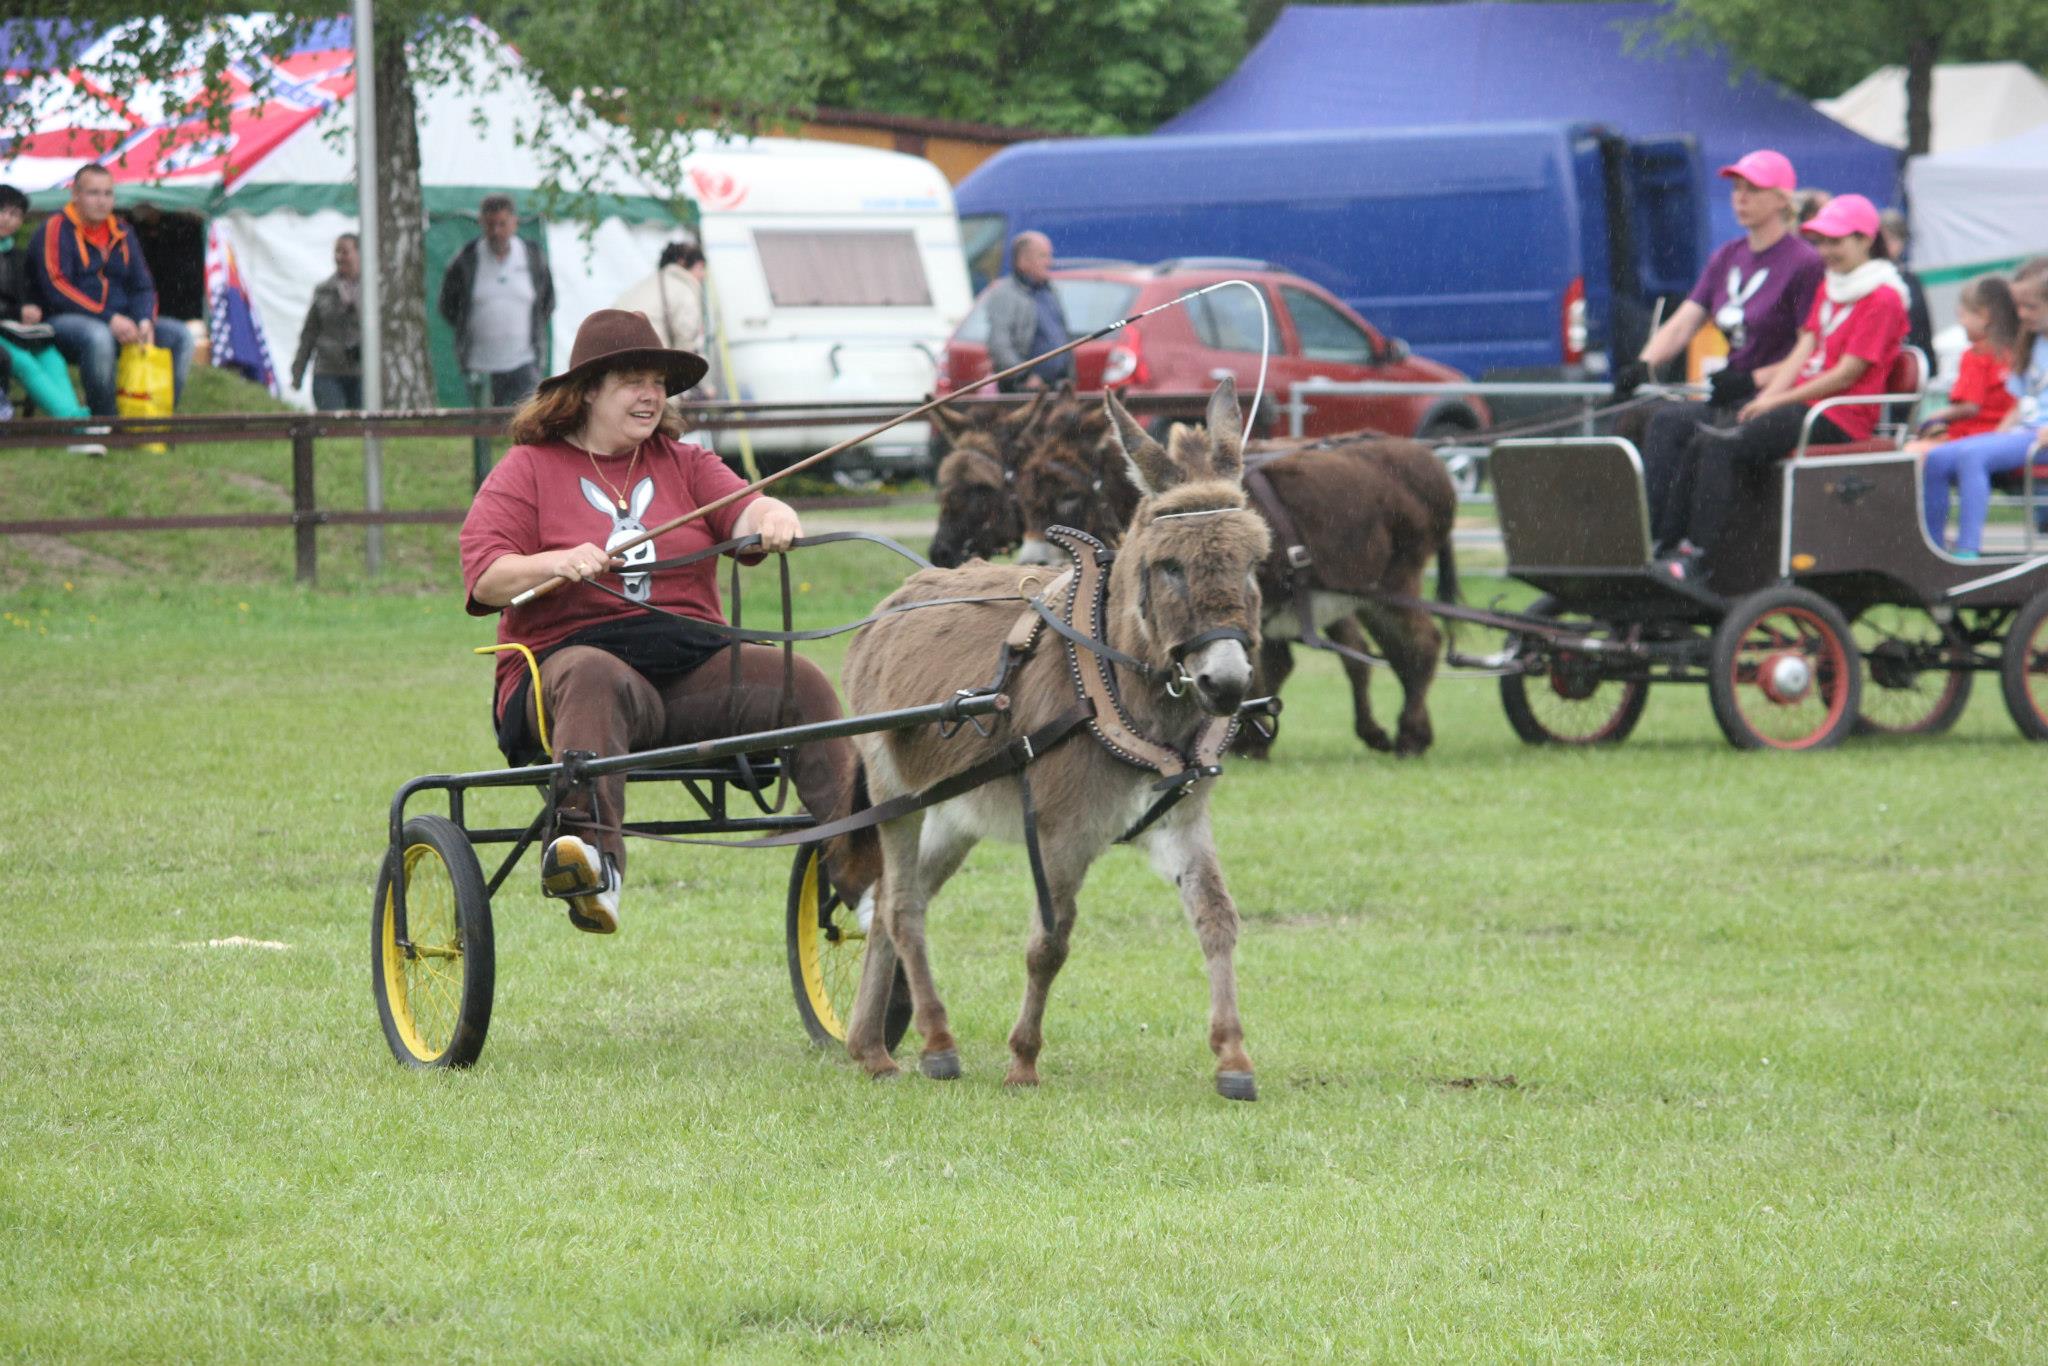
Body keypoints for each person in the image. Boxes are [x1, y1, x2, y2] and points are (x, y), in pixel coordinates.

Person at [459, 309, 870, 935]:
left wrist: (770, 511)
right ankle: (593, 866)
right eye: (631, 380)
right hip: (567, 679)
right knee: (596, 675)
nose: (650, 394)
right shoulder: (528, 470)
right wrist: (556, 561)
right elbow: (486, 576)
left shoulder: (684, 464)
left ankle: (867, 881)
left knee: (800, 681)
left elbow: (742, 509)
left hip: (685, 675)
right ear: (589, 389)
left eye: (657, 382)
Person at [1662, 194, 1909, 580]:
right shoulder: (1832, 287)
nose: (1826, 251)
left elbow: (1846, 374)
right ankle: (1667, 544)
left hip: (1840, 416)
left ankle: (1703, 556)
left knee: (1722, 446)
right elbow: (1804, 348)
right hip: (1808, 404)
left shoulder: (1883, 298)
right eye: (1821, 242)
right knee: (1702, 440)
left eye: (1836, 242)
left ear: (1864, 240)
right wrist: (1767, 398)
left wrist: (1780, 399)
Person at [1614, 149, 1826, 553]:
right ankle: (1646, 541)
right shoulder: (1728, 256)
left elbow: (1810, 349)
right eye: (1736, 189)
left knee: (1682, 428)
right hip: (1733, 392)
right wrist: (1642, 366)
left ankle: (1688, 546)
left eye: (1753, 190)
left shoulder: (1804, 263)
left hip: (1774, 398)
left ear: (1783, 199)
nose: (1740, 198)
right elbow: (1683, 323)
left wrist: (1751, 380)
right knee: (1648, 421)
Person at [27, 163, 194, 418]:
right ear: (76, 195)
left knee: (180, 336)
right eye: (93, 193)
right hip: (64, 321)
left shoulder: (122, 231)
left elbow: (143, 285)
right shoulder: (55, 228)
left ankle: (157, 418)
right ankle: (106, 421)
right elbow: (57, 287)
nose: (102, 201)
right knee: (98, 336)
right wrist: (110, 318)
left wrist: (144, 320)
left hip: (123, 321)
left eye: (108, 194)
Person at [1919, 260, 2048, 557]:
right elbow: (2020, 402)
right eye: (2018, 306)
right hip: (2025, 432)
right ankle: (1934, 548)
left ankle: (1968, 547)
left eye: (2030, 307)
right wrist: (1998, 436)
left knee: (1971, 455)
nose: (2020, 315)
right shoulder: (2030, 345)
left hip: (2041, 438)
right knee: (1937, 458)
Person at [438, 194, 554, 406]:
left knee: (528, 423)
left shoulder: (533, 258)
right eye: (490, 225)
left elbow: (547, 302)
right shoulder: (467, 259)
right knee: (484, 429)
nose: (496, 232)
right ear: (481, 223)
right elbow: (448, 305)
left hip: (524, 361)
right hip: (480, 364)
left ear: (514, 223)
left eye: (502, 224)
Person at [0, 183, 88, 422]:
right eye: (4, 211)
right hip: (6, 331)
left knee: (52, 357)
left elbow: (33, 292)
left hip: (19, 329)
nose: (8, 219)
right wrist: (18, 310)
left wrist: (34, 308)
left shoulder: (20, 257)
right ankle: (72, 421)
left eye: (16, 214)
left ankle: (74, 416)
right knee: (24, 363)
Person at [1907, 276, 2017, 453]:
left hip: (1974, 435)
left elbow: (1970, 406)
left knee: (1912, 450)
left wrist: (1936, 416)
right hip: (2005, 433)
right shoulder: (2016, 351)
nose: (1960, 323)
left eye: (1962, 315)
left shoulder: (1975, 355)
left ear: (1984, 316)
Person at [985, 230, 1072, 392]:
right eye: (1042, 256)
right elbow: (999, 344)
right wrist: (1024, 376)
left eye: (1049, 255)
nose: (1049, 262)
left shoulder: (1049, 290)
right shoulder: (1005, 294)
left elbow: (1062, 335)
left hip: (1056, 387)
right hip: (1025, 390)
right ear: (1022, 261)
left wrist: (1068, 375)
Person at [289, 233, 362, 411]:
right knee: (333, 429)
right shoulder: (323, 290)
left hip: (362, 373)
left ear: (359, 254)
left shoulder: (373, 289)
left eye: (344, 252)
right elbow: (309, 333)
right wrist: (298, 372)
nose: (339, 257)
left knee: (361, 428)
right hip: (327, 372)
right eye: (336, 252)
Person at [1880, 209, 1935, 359]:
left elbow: (1923, 325)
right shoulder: (1872, 279)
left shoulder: (1911, 279)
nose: (1888, 246)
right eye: (1883, 240)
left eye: (1894, 239)